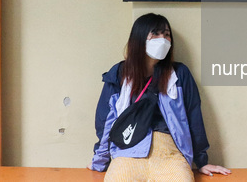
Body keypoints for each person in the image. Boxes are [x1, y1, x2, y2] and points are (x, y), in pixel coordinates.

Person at [89, 13, 231, 181]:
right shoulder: (120, 74)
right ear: (140, 38)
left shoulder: (180, 74)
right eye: (155, 33)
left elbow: (193, 117)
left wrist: (202, 161)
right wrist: (100, 159)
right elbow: (106, 120)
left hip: (170, 151)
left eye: (166, 34)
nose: (162, 39)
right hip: (128, 150)